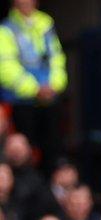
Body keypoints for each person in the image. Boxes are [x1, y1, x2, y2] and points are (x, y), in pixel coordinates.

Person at [0, 0, 66, 170]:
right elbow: (6, 67)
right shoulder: (5, 29)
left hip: (49, 98)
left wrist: (54, 85)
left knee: (53, 149)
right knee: (24, 152)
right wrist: (35, 89)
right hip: (20, 102)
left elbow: (57, 57)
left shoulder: (46, 23)